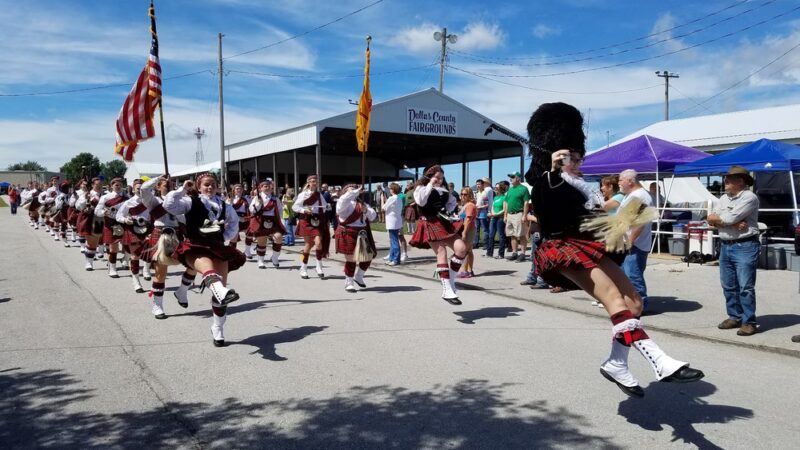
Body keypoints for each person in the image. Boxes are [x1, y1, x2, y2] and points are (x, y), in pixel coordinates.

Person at [526, 102, 703, 398]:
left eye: (579, 157)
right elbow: (549, 205)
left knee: (634, 304)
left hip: (586, 246)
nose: (577, 161)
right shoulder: (545, 182)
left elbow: (595, 216)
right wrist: (555, 170)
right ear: (556, 155)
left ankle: (616, 363)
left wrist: (620, 221)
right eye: (571, 157)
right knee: (614, 301)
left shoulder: (579, 185)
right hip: (564, 250)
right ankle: (660, 361)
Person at [163, 173, 245, 347]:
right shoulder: (190, 201)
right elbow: (169, 205)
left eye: (213, 184)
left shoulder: (225, 205)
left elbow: (234, 223)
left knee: (220, 290)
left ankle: (218, 327)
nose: (210, 187)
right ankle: (218, 291)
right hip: (195, 245)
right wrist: (182, 189)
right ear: (199, 187)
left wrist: (224, 236)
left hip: (217, 246)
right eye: (206, 184)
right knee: (214, 278)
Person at [706, 166, 760, 337]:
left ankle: (749, 322)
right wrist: (731, 222)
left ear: (741, 181)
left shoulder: (749, 197)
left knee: (745, 287)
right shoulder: (724, 197)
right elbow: (710, 218)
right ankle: (735, 316)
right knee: (728, 285)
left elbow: (727, 218)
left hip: (745, 246)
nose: (725, 181)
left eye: (729, 179)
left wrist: (726, 220)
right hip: (726, 245)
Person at [409, 165, 467, 305]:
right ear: (429, 176)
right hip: (429, 222)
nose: (439, 180)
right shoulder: (421, 188)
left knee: (461, 249)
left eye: (441, 178)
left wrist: (448, 211)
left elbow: (452, 202)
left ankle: (450, 281)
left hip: (443, 221)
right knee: (441, 252)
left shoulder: (443, 189)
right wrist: (430, 184)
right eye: (437, 177)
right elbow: (421, 201)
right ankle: (447, 289)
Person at [139, 176, 191, 319]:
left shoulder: (181, 200)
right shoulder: (154, 201)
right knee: (161, 273)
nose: (170, 186)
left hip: (178, 234)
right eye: (166, 185)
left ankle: (182, 291)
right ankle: (157, 305)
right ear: (158, 187)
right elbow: (143, 189)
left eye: (172, 185)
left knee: (193, 264)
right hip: (160, 234)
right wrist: (157, 178)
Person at [618, 170, 653, 312]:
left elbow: (641, 222)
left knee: (633, 276)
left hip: (634, 245)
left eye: (621, 180)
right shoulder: (631, 195)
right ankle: (629, 304)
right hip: (626, 243)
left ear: (630, 181)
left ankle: (641, 306)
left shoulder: (640, 196)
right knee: (625, 276)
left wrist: (630, 241)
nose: (619, 183)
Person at [335, 185, 378, 291]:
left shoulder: (362, 203)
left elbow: (373, 216)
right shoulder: (343, 202)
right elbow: (343, 201)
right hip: (348, 232)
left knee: (368, 257)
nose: (353, 191)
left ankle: (358, 276)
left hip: (362, 233)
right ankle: (349, 282)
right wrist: (355, 191)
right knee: (351, 259)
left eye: (354, 189)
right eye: (350, 189)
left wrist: (366, 210)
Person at [115, 179, 152, 293]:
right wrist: (126, 220)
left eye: (142, 188)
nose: (140, 190)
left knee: (149, 253)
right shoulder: (128, 202)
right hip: (133, 229)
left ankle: (146, 270)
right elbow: (118, 216)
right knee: (135, 256)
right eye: (138, 188)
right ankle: (136, 281)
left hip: (148, 229)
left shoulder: (150, 200)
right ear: (133, 189)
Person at [293, 175, 330, 279]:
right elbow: (295, 207)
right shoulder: (303, 194)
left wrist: (327, 206)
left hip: (316, 221)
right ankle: (303, 267)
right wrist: (304, 210)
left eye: (316, 181)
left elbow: (324, 207)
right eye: (312, 181)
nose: (314, 183)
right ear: (308, 183)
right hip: (306, 220)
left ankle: (319, 266)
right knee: (308, 245)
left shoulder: (319, 195)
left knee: (318, 242)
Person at [247, 179, 286, 269]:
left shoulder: (275, 198)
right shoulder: (257, 198)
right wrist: (258, 204)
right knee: (262, 241)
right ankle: (260, 260)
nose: (267, 188)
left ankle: (275, 257)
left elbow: (280, 211)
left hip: (273, 221)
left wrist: (282, 221)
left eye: (269, 186)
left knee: (278, 237)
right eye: (265, 186)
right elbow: (252, 210)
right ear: (261, 188)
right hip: (261, 220)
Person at [95, 178, 128, 278]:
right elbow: (97, 211)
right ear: (111, 186)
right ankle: (112, 268)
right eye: (116, 185)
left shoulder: (126, 197)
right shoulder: (105, 197)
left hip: (124, 224)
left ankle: (124, 259)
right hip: (110, 224)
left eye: (120, 185)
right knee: (114, 247)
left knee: (128, 246)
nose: (118, 187)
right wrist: (104, 212)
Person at [75, 178, 104, 270]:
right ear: (92, 185)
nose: (99, 187)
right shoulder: (87, 194)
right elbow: (78, 207)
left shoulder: (105, 194)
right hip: (89, 219)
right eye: (97, 185)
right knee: (91, 242)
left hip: (100, 219)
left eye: (100, 185)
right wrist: (86, 199)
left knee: (95, 241)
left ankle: (93, 256)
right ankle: (89, 263)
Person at [504, 172, 530, 262]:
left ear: (518, 178)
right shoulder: (510, 189)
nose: (510, 178)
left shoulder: (523, 189)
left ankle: (522, 254)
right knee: (512, 235)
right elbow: (506, 203)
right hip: (510, 214)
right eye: (510, 177)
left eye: (512, 177)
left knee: (521, 234)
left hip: (519, 214)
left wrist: (524, 215)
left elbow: (526, 202)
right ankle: (514, 253)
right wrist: (505, 215)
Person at [227, 184, 254, 259]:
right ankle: (231, 253)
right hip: (234, 219)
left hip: (245, 218)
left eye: (240, 189)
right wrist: (230, 202)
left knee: (250, 233)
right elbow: (228, 210)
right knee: (234, 237)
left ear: (242, 190)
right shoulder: (230, 199)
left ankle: (247, 251)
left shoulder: (247, 198)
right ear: (234, 190)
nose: (239, 190)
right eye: (237, 189)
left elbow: (252, 207)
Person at [382, 183, 404, 266]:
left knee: (394, 241)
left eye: (391, 188)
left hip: (392, 221)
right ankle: (391, 258)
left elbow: (383, 207)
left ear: (393, 190)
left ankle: (396, 259)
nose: (390, 190)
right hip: (396, 220)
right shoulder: (399, 198)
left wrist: (383, 200)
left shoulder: (392, 198)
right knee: (393, 241)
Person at [458, 187, 477, 278]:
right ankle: (469, 270)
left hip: (469, 229)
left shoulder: (470, 205)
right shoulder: (466, 205)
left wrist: (464, 232)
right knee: (468, 250)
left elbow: (468, 220)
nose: (463, 196)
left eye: (465, 194)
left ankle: (465, 271)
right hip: (467, 228)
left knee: (465, 250)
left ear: (470, 195)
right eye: (462, 194)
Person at [486, 182, 507, 259]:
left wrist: (496, 214)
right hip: (493, 218)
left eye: (497, 188)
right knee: (491, 235)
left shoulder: (504, 197)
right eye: (495, 187)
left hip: (500, 218)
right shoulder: (495, 198)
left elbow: (504, 209)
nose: (496, 189)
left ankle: (501, 254)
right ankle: (489, 253)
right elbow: (492, 207)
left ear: (501, 189)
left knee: (501, 235)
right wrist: (492, 213)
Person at [474, 177, 492, 250]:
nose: (478, 186)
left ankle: (486, 244)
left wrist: (480, 207)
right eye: (477, 184)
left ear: (482, 185)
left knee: (485, 229)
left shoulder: (485, 193)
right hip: (477, 213)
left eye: (479, 184)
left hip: (483, 213)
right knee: (476, 229)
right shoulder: (477, 193)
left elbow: (487, 204)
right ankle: (476, 243)